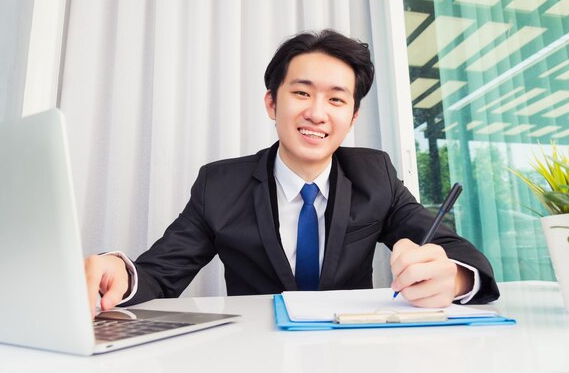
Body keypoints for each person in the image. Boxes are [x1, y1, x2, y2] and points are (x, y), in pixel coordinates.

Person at [85, 29, 499, 316]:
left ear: (352, 117)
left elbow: (461, 255)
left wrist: (456, 278)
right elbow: (159, 274)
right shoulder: (220, 185)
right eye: (301, 93)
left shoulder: (376, 176)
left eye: (336, 100)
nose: (316, 113)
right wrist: (120, 271)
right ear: (272, 103)